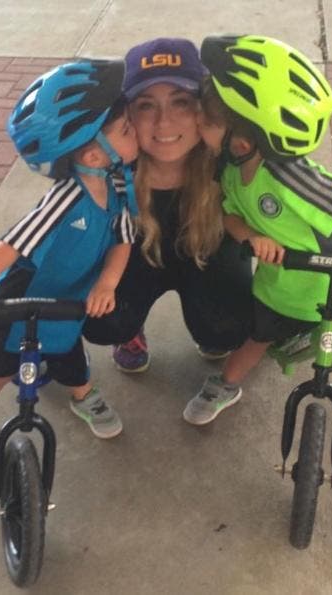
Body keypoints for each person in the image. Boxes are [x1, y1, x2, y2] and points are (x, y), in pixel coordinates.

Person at [183, 35, 332, 458]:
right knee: (257, 338)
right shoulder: (230, 169)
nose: (197, 127)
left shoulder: (292, 176)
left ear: (242, 138)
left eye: (205, 122)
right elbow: (229, 215)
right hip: (277, 287)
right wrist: (251, 236)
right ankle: (226, 384)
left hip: (327, 290)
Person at [0, 58, 139, 470]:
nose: (135, 132)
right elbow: (13, 244)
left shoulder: (118, 185)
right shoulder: (67, 197)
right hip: (24, 295)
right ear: (93, 154)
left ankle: (83, 396)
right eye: (125, 130)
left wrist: (107, 283)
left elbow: (123, 239)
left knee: (69, 356)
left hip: (70, 297)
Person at [83, 38, 253, 373]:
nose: (163, 122)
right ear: (127, 115)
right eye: (146, 105)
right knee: (103, 322)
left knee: (227, 330)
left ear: (204, 109)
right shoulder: (109, 168)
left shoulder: (230, 161)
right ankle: (130, 332)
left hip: (204, 250)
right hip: (137, 254)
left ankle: (210, 324)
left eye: (181, 102)